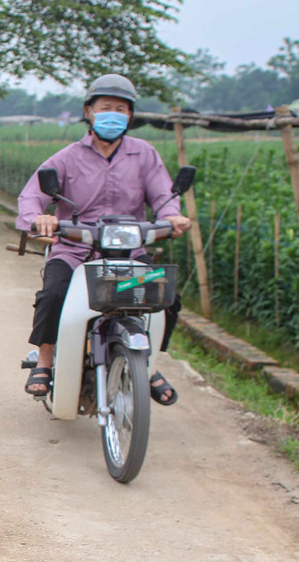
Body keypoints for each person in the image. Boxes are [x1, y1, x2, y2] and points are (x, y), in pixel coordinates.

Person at [15, 74, 191, 403]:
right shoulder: (67, 157)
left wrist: (172, 217)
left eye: (121, 109)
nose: (114, 114)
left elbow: (164, 197)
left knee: (165, 297)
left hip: (129, 251)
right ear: (89, 112)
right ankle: (45, 360)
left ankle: (149, 363)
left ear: (130, 115)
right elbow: (30, 197)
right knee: (53, 293)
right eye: (106, 107)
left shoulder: (145, 154)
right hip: (75, 249)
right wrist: (39, 218)